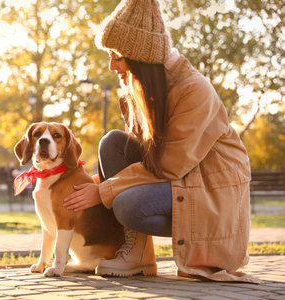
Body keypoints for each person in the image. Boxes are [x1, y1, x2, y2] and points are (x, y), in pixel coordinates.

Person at [63, 0, 261, 283]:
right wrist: (97, 183)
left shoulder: (194, 90)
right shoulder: (141, 87)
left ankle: (153, 242)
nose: (111, 66)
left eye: (117, 56)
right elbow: (144, 156)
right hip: (177, 176)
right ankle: (137, 256)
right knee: (113, 143)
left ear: (140, 57)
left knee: (126, 205)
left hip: (208, 187)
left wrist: (105, 190)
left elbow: (169, 164)